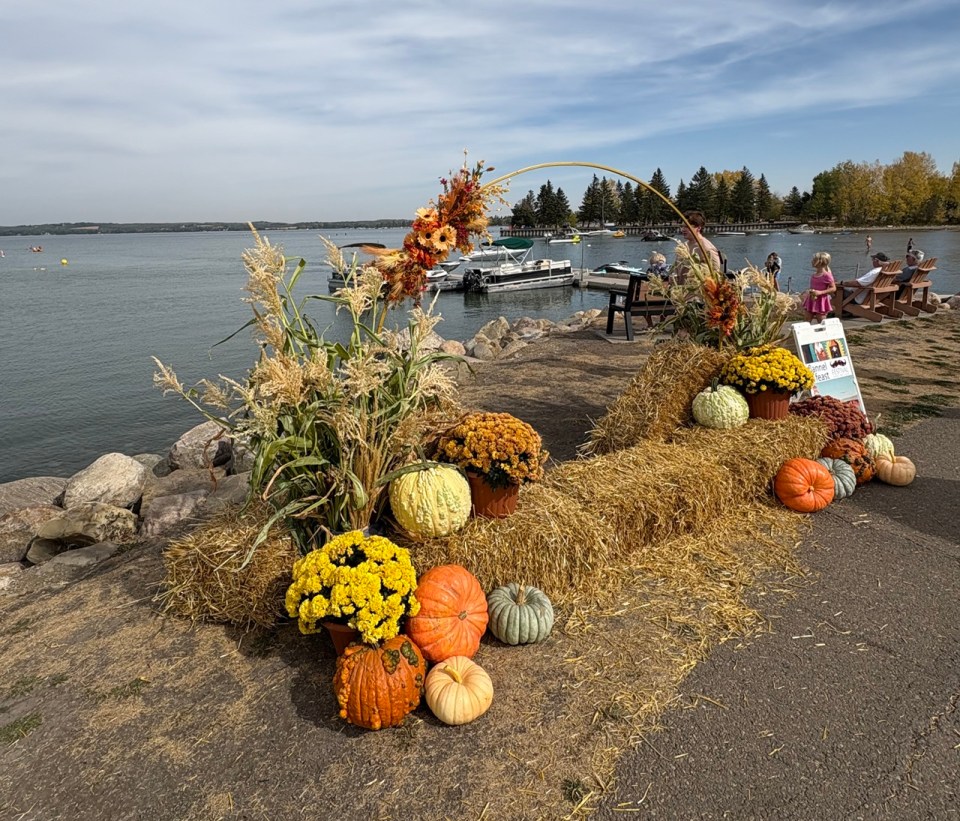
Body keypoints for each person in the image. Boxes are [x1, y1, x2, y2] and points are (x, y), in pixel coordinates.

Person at [673, 210, 722, 283]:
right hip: (682, 290)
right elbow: (676, 267)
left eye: (687, 226)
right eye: (682, 226)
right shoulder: (683, 246)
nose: (683, 229)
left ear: (698, 228)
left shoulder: (706, 248)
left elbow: (715, 273)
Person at [802, 251, 836, 323]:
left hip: (821, 301)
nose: (811, 261)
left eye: (814, 260)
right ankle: (807, 333)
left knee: (821, 321)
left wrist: (820, 292)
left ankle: (824, 333)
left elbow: (833, 288)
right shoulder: (814, 274)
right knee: (806, 320)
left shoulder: (827, 275)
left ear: (819, 262)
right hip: (811, 299)